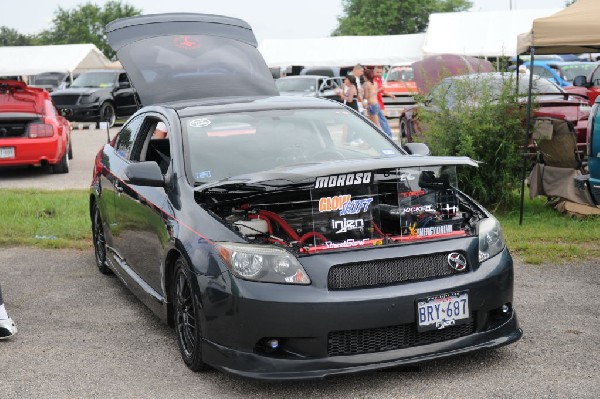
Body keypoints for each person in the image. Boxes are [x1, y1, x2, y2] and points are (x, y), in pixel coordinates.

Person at [373, 65, 396, 138]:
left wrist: (390, 95)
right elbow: (373, 92)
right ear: (373, 71)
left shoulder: (379, 79)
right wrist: (380, 89)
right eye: (377, 72)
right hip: (375, 103)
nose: (379, 73)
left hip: (379, 102)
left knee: (379, 121)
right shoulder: (373, 80)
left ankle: (385, 136)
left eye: (380, 72)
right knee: (382, 120)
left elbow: (382, 91)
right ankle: (388, 136)